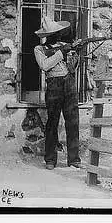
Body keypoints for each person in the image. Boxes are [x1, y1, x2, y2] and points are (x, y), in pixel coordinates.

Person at [34, 17, 81, 170]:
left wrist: (75, 55)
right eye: (55, 33)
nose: (58, 36)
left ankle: (74, 159)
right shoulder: (39, 49)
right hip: (53, 85)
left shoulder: (63, 46)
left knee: (73, 122)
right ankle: (50, 159)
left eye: (58, 33)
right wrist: (61, 53)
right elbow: (45, 66)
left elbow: (72, 68)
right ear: (48, 35)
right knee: (52, 123)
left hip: (69, 83)